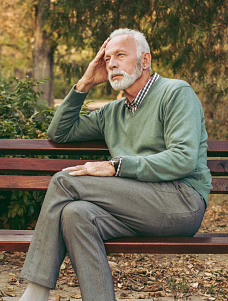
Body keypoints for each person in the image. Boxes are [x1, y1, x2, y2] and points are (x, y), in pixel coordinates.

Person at [18, 28, 212, 301]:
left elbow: (183, 159)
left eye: (120, 55)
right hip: (134, 207)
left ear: (145, 60)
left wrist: (116, 166)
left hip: (180, 201)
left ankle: (35, 293)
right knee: (76, 214)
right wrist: (85, 82)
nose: (111, 64)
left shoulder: (175, 93)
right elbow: (59, 132)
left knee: (64, 180)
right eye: (107, 58)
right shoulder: (113, 112)